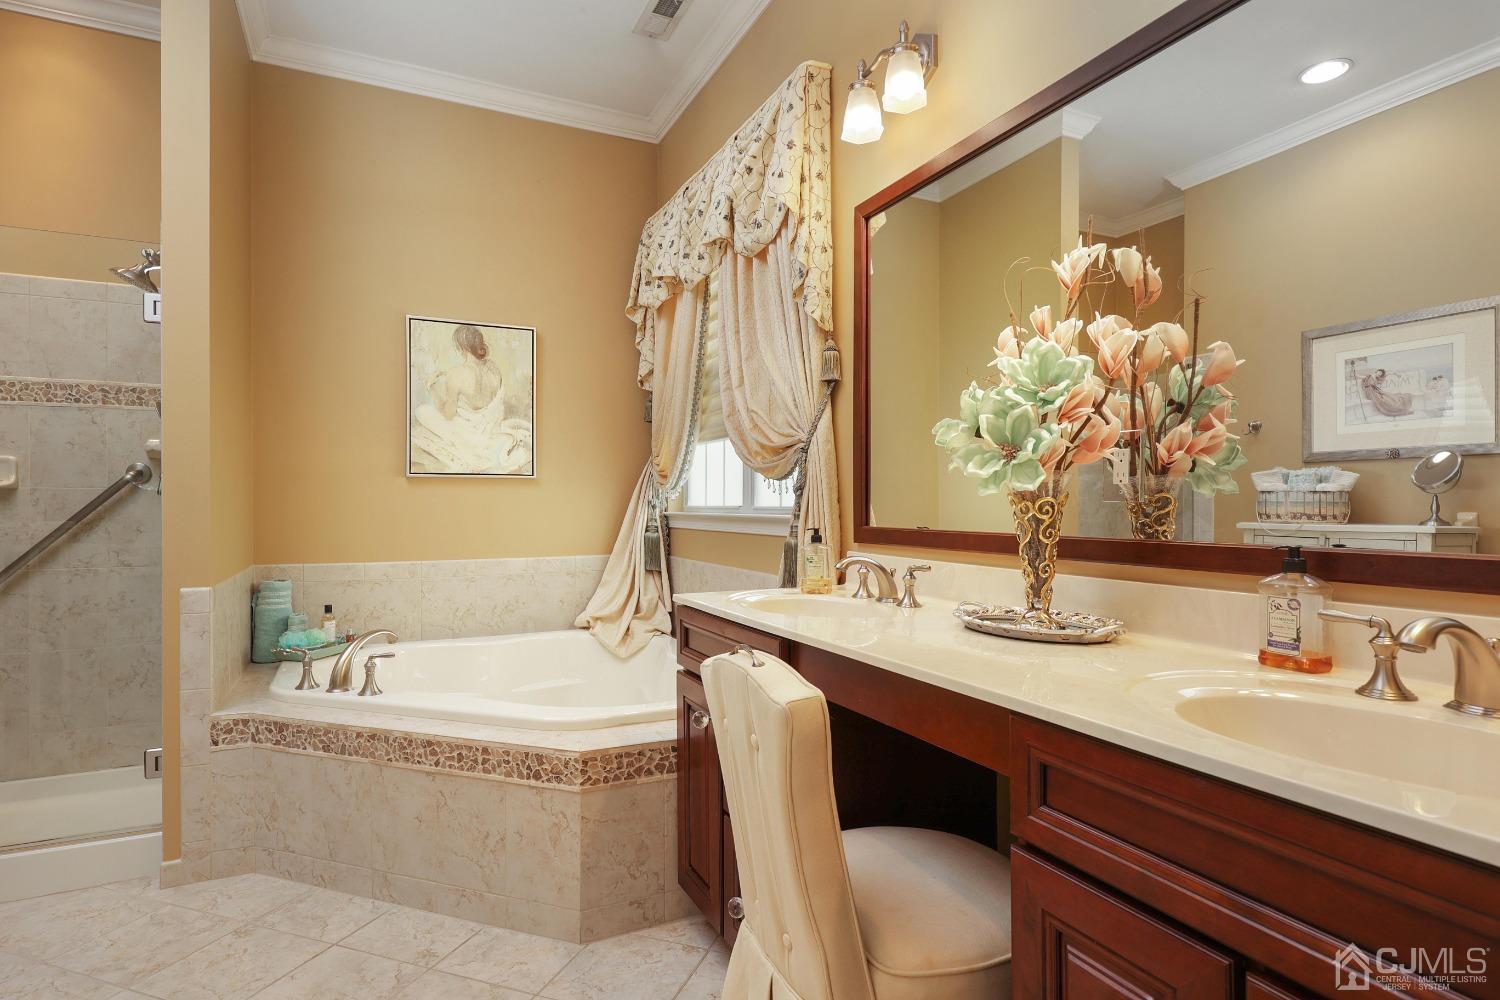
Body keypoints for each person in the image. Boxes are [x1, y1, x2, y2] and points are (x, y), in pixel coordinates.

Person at [411, 325, 532, 473]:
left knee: (422, 411)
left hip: (469, 434)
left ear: (461, 346)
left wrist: (433, 389)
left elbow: (449, 415)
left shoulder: (456, 374)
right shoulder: (494, 368)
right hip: (491, 430)